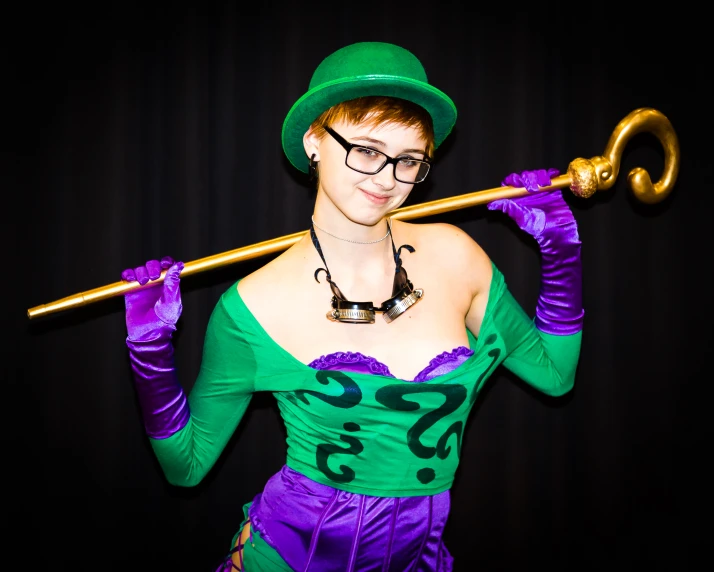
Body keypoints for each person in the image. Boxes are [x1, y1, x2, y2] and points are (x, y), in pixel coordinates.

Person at [120, 41, 584, 571]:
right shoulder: (252, 305)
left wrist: (562, 251)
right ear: (314, 140)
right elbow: (188, 467)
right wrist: (150, 350)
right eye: (365, 149)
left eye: (409, 160)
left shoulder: (459, 256)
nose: (386, 178)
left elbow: (555, 376)